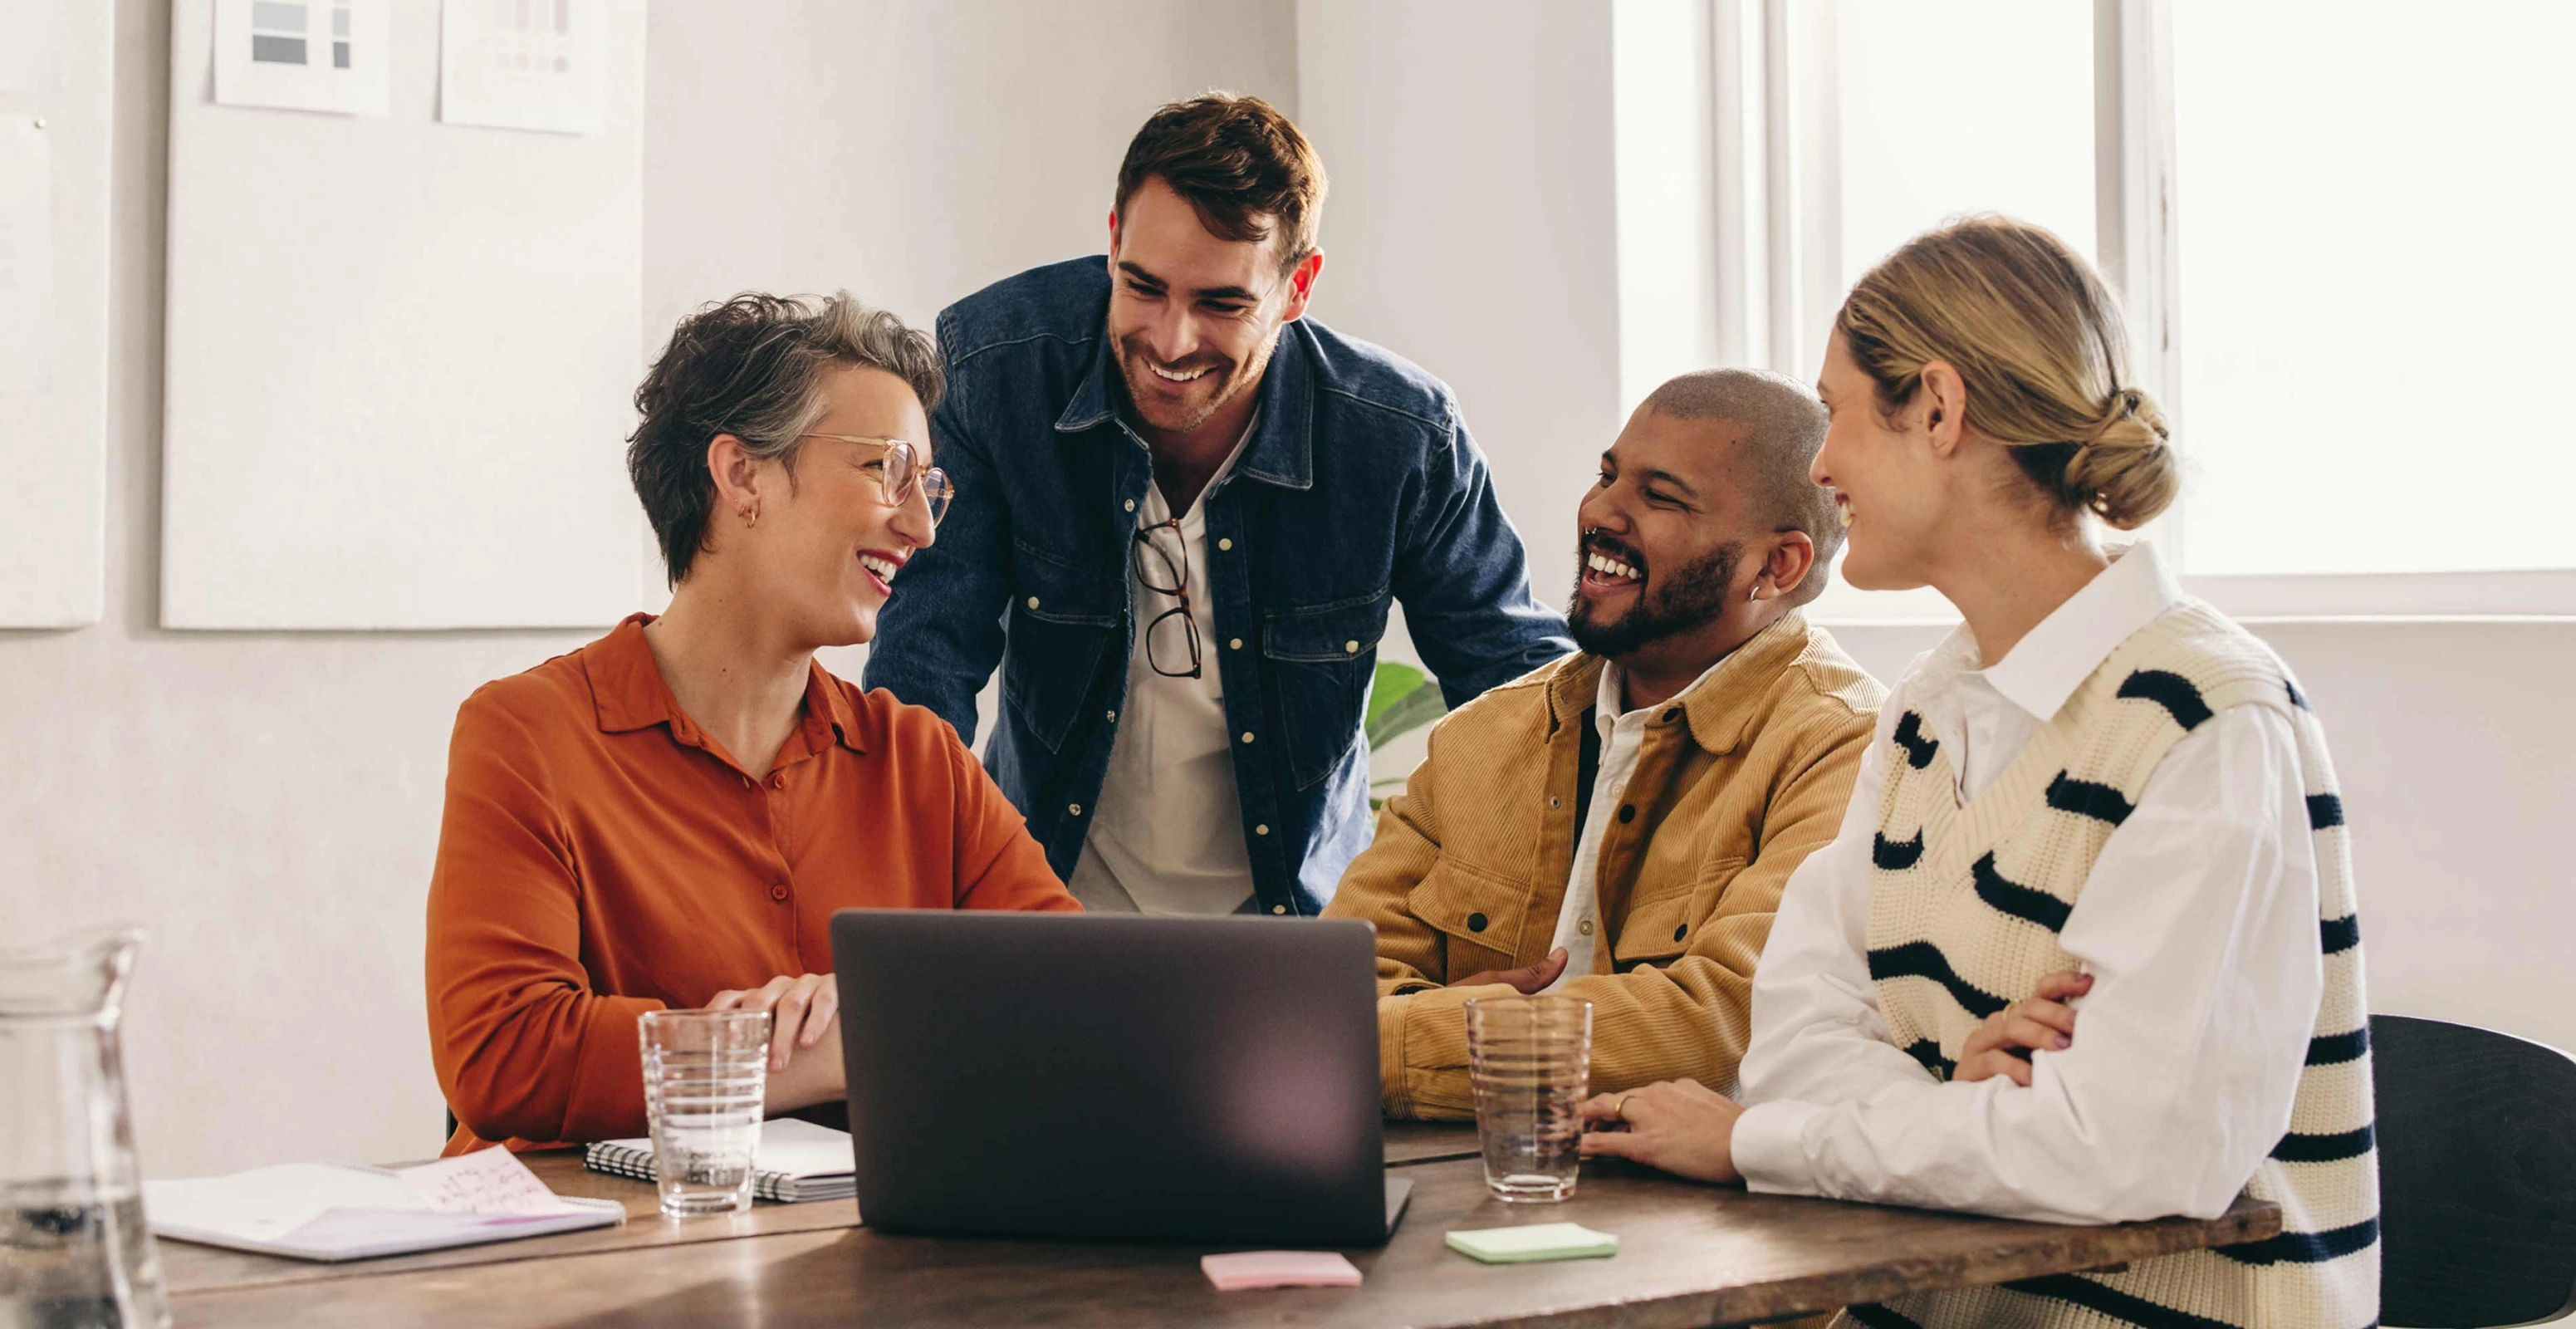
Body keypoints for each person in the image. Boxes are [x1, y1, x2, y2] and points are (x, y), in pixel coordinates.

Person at [1578, 218, 2375, 1329]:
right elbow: (1795, 1040)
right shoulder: (1920, 715)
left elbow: (2127, 1161)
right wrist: (1958, 1087)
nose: (1817, 464)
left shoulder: (2210, 723)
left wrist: (1755, 1142)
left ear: (1938, 411)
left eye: (1839, 410)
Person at [862, 93, 1570, 919]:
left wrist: (1503, 925)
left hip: (1291, 931)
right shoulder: (998, 368)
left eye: (1221, 304)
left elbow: (1522, 698)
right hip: (1045, 910)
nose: (1170, 340)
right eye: (1144, 286)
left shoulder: (1402, 437)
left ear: (1298, 286)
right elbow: (926, 665)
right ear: (1115, 240)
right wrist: (913, 919)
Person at [426, 293, 1080, 1155]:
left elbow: (1077, 1006)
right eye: (886, 469)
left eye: (929, 486)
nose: (921, 526)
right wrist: (808, 1057)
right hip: (589, 1272)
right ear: (741, 476)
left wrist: (866, 1027)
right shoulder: (527, 735)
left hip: (861, 1268)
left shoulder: (920, 761)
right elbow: (503, 1054)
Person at [1322, 369, 1883, 1119]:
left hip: (1718, 1218)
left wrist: (1439, 1034)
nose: (1600, 512)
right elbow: (1337, 990)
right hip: (1467, 1177)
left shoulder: (1844, 746)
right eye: (1607, 475)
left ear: (1776, 566)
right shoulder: (1484, 734)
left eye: (1661, 496)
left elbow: (1719, 1022)